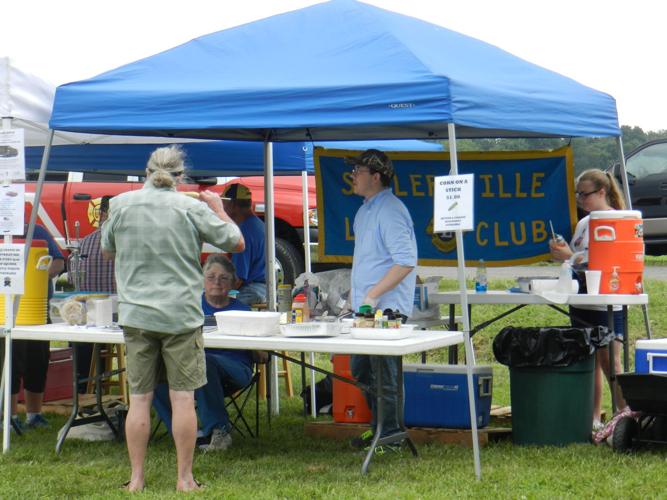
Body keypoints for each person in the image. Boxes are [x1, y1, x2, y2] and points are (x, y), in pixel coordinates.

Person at [101, 145, 244, 493]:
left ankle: (136, 478)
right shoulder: (191, 207)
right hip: (180, 316)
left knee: (140, 399)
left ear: (146, 172)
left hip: (137, 314)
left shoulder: (120, 204)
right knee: (182, 399)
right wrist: (218, 208)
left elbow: (107, 248)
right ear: (180, 176)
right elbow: (236, 242)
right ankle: (184, 479)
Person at [346, 149, 417, 453]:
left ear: (376, 177)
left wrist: (373, 294)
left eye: (359, 171)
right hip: (365, 308)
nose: (353, 177)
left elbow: (405, 261)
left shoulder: (390, 210)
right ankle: (380, 427)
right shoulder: (365, 210)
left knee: (385, 373)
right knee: (361, 367)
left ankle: (390, 435)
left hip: (387, 309)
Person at [549, 169, 628, 430]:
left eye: (585, 194)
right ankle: (593, 418)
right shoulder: (584, 223)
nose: (581, 199)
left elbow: (602, 259)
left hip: (607, 300)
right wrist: (564, 254)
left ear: (602, 192)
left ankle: (623, 414)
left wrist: (569, 256)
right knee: (589, 358)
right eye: (578, 195)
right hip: (581, 299)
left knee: (610, 362)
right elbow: (577, 257)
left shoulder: (617, 220)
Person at [152, 254, 254, 451]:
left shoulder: (243, 310)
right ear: (202, 280)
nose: (217, 281)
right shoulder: (189, 307)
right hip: (192, 367)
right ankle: (183, 432)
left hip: (234, 368)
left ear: (233, 282)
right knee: (153, 374)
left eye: (224, 277)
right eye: (211, 276)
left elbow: (261, 354)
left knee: (204, 361)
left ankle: (219, 430)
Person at [10, 223, 65, 431]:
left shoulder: (37, 231)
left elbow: (58, 262)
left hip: (38, 311)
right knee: (11, 364)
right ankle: (10, 416)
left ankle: (34, 415)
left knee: (38, 363)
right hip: (9, 314)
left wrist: (37, 277)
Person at [74, 195, 116, 394]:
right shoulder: (123, 243)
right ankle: (100, 390)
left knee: (83, 350)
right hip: (116, 315)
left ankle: (83, 390)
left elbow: (73, 278)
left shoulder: (84, 242)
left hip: (87, 316)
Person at [220, 183, 266, 305]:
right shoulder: (258, 224)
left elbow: (238, 279)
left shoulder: (243, 232)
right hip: (265, 289)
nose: (223, 207)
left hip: (253, 290)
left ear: (233, 204)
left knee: (215, 303)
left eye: (224, 203)